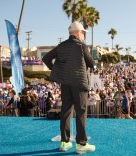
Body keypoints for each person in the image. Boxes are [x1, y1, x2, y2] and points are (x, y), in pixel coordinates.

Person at [42, 21, 96, 154]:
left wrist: (57, 70)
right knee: (81, 113)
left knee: (66, 112)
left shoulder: (61, 46)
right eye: (82, 32)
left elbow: (46, 58)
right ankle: (81, 144)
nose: (83, 34)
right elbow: (91, 63)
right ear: (78, 33)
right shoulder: (81, 45)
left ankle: (65, 143)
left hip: (65, 83)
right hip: (79, 83)